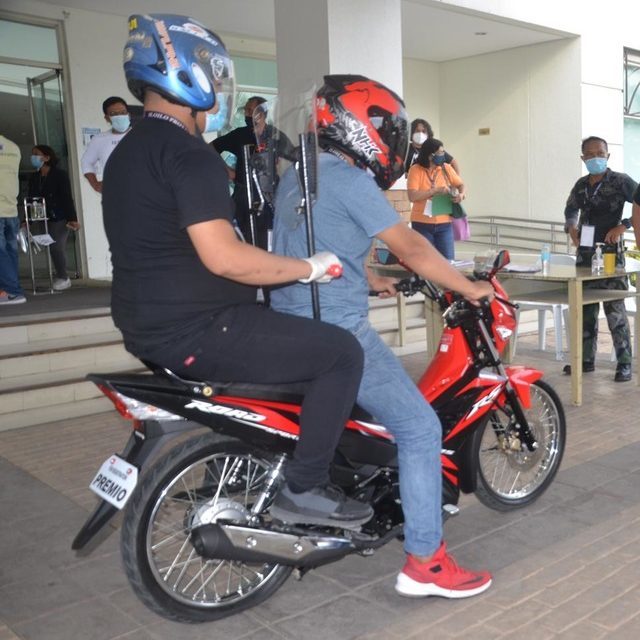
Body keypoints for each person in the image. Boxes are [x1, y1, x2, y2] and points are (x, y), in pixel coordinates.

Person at [102, 13, 370, 529]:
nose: (222, 88)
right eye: (214, 72)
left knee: (282, 345)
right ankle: (306, 488)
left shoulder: (128, 152)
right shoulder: (189, 154)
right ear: (185, 73)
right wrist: (308, 268)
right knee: (339, 354)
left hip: (145, 325)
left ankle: (236, 463)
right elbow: (224, 257)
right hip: (200, 327)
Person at [272, 74, 494, 599]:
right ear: (355, 125)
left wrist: (365, 277)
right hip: (337, 330)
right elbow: (414, 249)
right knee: (419, 428)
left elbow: (310, 242)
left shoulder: (297, 174)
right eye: (384, 128)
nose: (391, 140)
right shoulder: (349, 180)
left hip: (289, 318)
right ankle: (426, 563)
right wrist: (469, 287)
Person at [564, 136, 637, 382]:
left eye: (600, 153)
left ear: (607, 156)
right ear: (583, 158)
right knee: (585, 308)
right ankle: (585, 360)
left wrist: (624, 226)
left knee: (615, 308)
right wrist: (571, 227)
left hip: (609, 253)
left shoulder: (621, 181)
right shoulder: (581, 184)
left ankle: (624, 363)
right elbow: (570, 209)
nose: (596, 157)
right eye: (590, 154)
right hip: (585, 254)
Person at [211, 95, 269, 247]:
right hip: (242, 194)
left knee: (264, 239)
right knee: (241, 238)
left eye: (250, 111)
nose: (246, 115)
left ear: (262, 113)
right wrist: (228, 172)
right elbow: (210, 148)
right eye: (246, 111)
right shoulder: (239, 134)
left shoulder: (275, 136)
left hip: (267, 195)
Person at [27, 145, 80, 291]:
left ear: (47, 158)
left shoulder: (59, 175)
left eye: (36, 154)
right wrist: (27, 221)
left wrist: (72, 218)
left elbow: (66, 197)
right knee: (50, 247)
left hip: (60, 217)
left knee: (57, 247)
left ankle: (64, 277)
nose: (33, 157)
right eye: (33, 154)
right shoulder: (35, 177)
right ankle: (59, 276)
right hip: (43, 217)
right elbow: (32, 200)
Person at [407, 137, 465, 260]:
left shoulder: (445, 168)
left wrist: (461, 194)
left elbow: (460, 184)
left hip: (444, 223)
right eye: (440, 153)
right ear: (430, 155)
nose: (443, 155)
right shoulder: (415, 170)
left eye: (443, 152)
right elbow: (412, 196)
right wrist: (435, 191)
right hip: (422, 224)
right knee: (425, 261)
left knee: (448, 261)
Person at [81, 96, 131, 194]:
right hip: (114, 196)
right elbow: (86, 162)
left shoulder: (141, 135)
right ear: (107, 118)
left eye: (123, 112)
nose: (120, 116)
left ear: (128, 114)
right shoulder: (99, 139)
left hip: (144, 196)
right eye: (114, 114)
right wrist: (95, 184)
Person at [0, 134, 26, 305]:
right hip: (10, 209)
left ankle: (12, 292)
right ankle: (10, 289)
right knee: (10, 252)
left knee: (2, 253)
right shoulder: (13, 147)